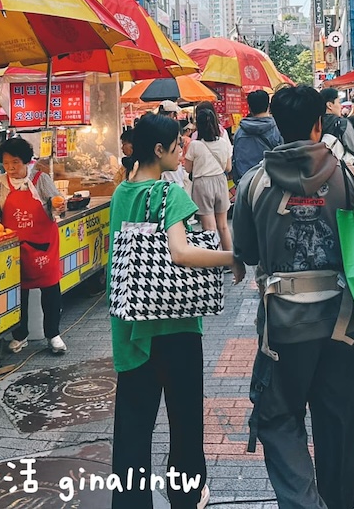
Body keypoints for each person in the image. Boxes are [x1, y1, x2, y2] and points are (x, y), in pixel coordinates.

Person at [232, 85, 354, 509]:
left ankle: (303, 502)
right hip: (340, 324)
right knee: (337, 422)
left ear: (277, 124)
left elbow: (247, 253)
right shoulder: (348, 176)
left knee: (278, 418)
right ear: (318, 124)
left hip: (281, 330)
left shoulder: (254, 183)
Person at [108, 113, 236, 509]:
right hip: (176, 326)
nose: (183, 152)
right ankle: (186, 496)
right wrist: (232, 257)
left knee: (132, 428)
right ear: (159, 150)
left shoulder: (121, 193)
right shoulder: (169, 195)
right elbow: (181, 253)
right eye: (178, 146)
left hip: (132, 328)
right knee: (184, 423)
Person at [0, 137, 65, 354]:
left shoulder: (41, 178)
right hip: (16, 245)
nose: (10, 167)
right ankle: (20, 335)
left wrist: (58, 203)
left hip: (43, 243)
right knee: (19, 292)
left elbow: (56, 204)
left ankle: (53, 334)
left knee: (50, 289)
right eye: (6, 162)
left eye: (15, 162)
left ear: (26, 161)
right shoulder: (1, 182)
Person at [183, 104, 233, 252]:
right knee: (223, 226)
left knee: (209, 228)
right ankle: (229, 260)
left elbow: (188, 169)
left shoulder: (195, 145)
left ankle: (214, 262)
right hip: (220, 182)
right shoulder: (224, 143)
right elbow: (228, 168)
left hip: (202, 184)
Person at [232, 89, 283, 181]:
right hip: (270, 183)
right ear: (268, 106)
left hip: (246, 183)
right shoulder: (278, 129)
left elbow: (235, 160)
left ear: (249, 107)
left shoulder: (239, 133)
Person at [319, 87, 354, 160]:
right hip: (339, 168)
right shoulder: (343, 123)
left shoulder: (315, 124)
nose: (341, 106)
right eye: (339, 102)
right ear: (329, 105)